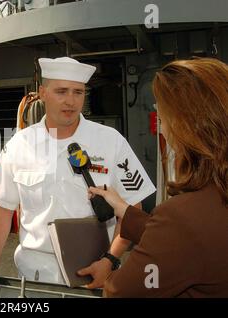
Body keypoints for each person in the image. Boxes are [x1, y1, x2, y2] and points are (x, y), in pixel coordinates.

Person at [0, 57, 156, 288]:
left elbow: (133, 209)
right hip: (34, 273)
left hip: (94, 270)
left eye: (78, 92)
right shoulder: (21, 143)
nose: (70, 101)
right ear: (43, 93)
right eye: (61, 91)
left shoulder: (111, 141)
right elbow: (3, 207)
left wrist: (110, 259)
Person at [88, 57, 228, 297]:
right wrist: (124, 208)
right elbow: (192, 239)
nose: (162, 129)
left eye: (162, 118)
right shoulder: (209, 203)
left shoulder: (182, 216)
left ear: (184, 126)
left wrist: (109, 271)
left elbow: (119, 292)